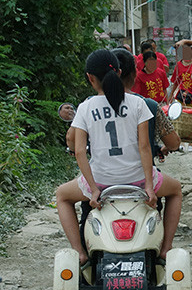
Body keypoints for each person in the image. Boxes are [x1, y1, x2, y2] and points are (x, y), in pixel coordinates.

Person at [55, 49, 183, 265]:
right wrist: (149, 187)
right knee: (176, 190)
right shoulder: (138, 104)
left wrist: (94, 189)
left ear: (90, 77)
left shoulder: (86, 107)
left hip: (102, 183)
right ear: (120, 71)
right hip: (138, 181)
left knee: (62, 196)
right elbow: (144, 147)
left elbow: (78, 152)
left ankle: (79, 253)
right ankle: (166, 249)